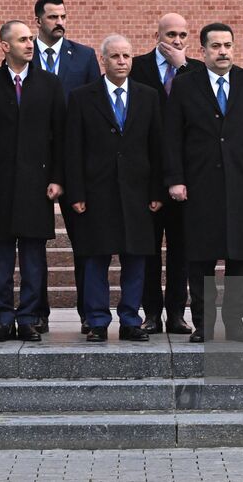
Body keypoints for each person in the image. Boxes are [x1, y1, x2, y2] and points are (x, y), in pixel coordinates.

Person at [165, 23, 243, 342]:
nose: (223, 51)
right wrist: (175, 179)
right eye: (215, 46)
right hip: (200, 186)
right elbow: (172, 136)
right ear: (202, 51)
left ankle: (236, 323)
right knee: (200, 259)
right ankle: (203, 323)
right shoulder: (186, 85)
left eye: (227, 45)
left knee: (242, 257)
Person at [0, 21, 65, 342]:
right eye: (23, 39)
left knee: (34, 259)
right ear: (5, 46)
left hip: (37, 186)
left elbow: (60, 137)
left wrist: (57, 178)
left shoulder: (50, 84)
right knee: (1, 260)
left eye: (31, 39)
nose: (30, 44)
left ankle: (27, 319)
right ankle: (3, 319)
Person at [65, 35, 165, 342]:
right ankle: (96, 320)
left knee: (136, 259)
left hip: (137, 194)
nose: (122, 61)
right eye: (116, 56)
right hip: (97, 193)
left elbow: (157, 147)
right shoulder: (82, 97)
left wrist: (156, 192)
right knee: (95, 258)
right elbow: (73, 149)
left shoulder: (147, 96)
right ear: (103, 60)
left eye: (127, 56)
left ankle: (130, 320)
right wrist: (76, 193)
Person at [129, 12, 205, 334]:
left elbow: (202, 108)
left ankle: (176, 313)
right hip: (147, 176)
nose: (176, 41)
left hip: (186, 178)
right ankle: (150, 313)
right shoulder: (137, 67)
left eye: (183, 35)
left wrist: (184, 65)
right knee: (147, 250)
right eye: (171, 34)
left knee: (181, 251)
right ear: (157, 34)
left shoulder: (197, 70)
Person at [32, 0, 102, 334]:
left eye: (63, 16)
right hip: (32, 163)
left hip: (76, 162)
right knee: (33, 241)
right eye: (52, 17)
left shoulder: (85, 56)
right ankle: (37, 313)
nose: (59, 22)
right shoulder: (23, 51)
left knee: (85, 240)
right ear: (38, 21)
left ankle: (89, 312)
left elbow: (94, 108)